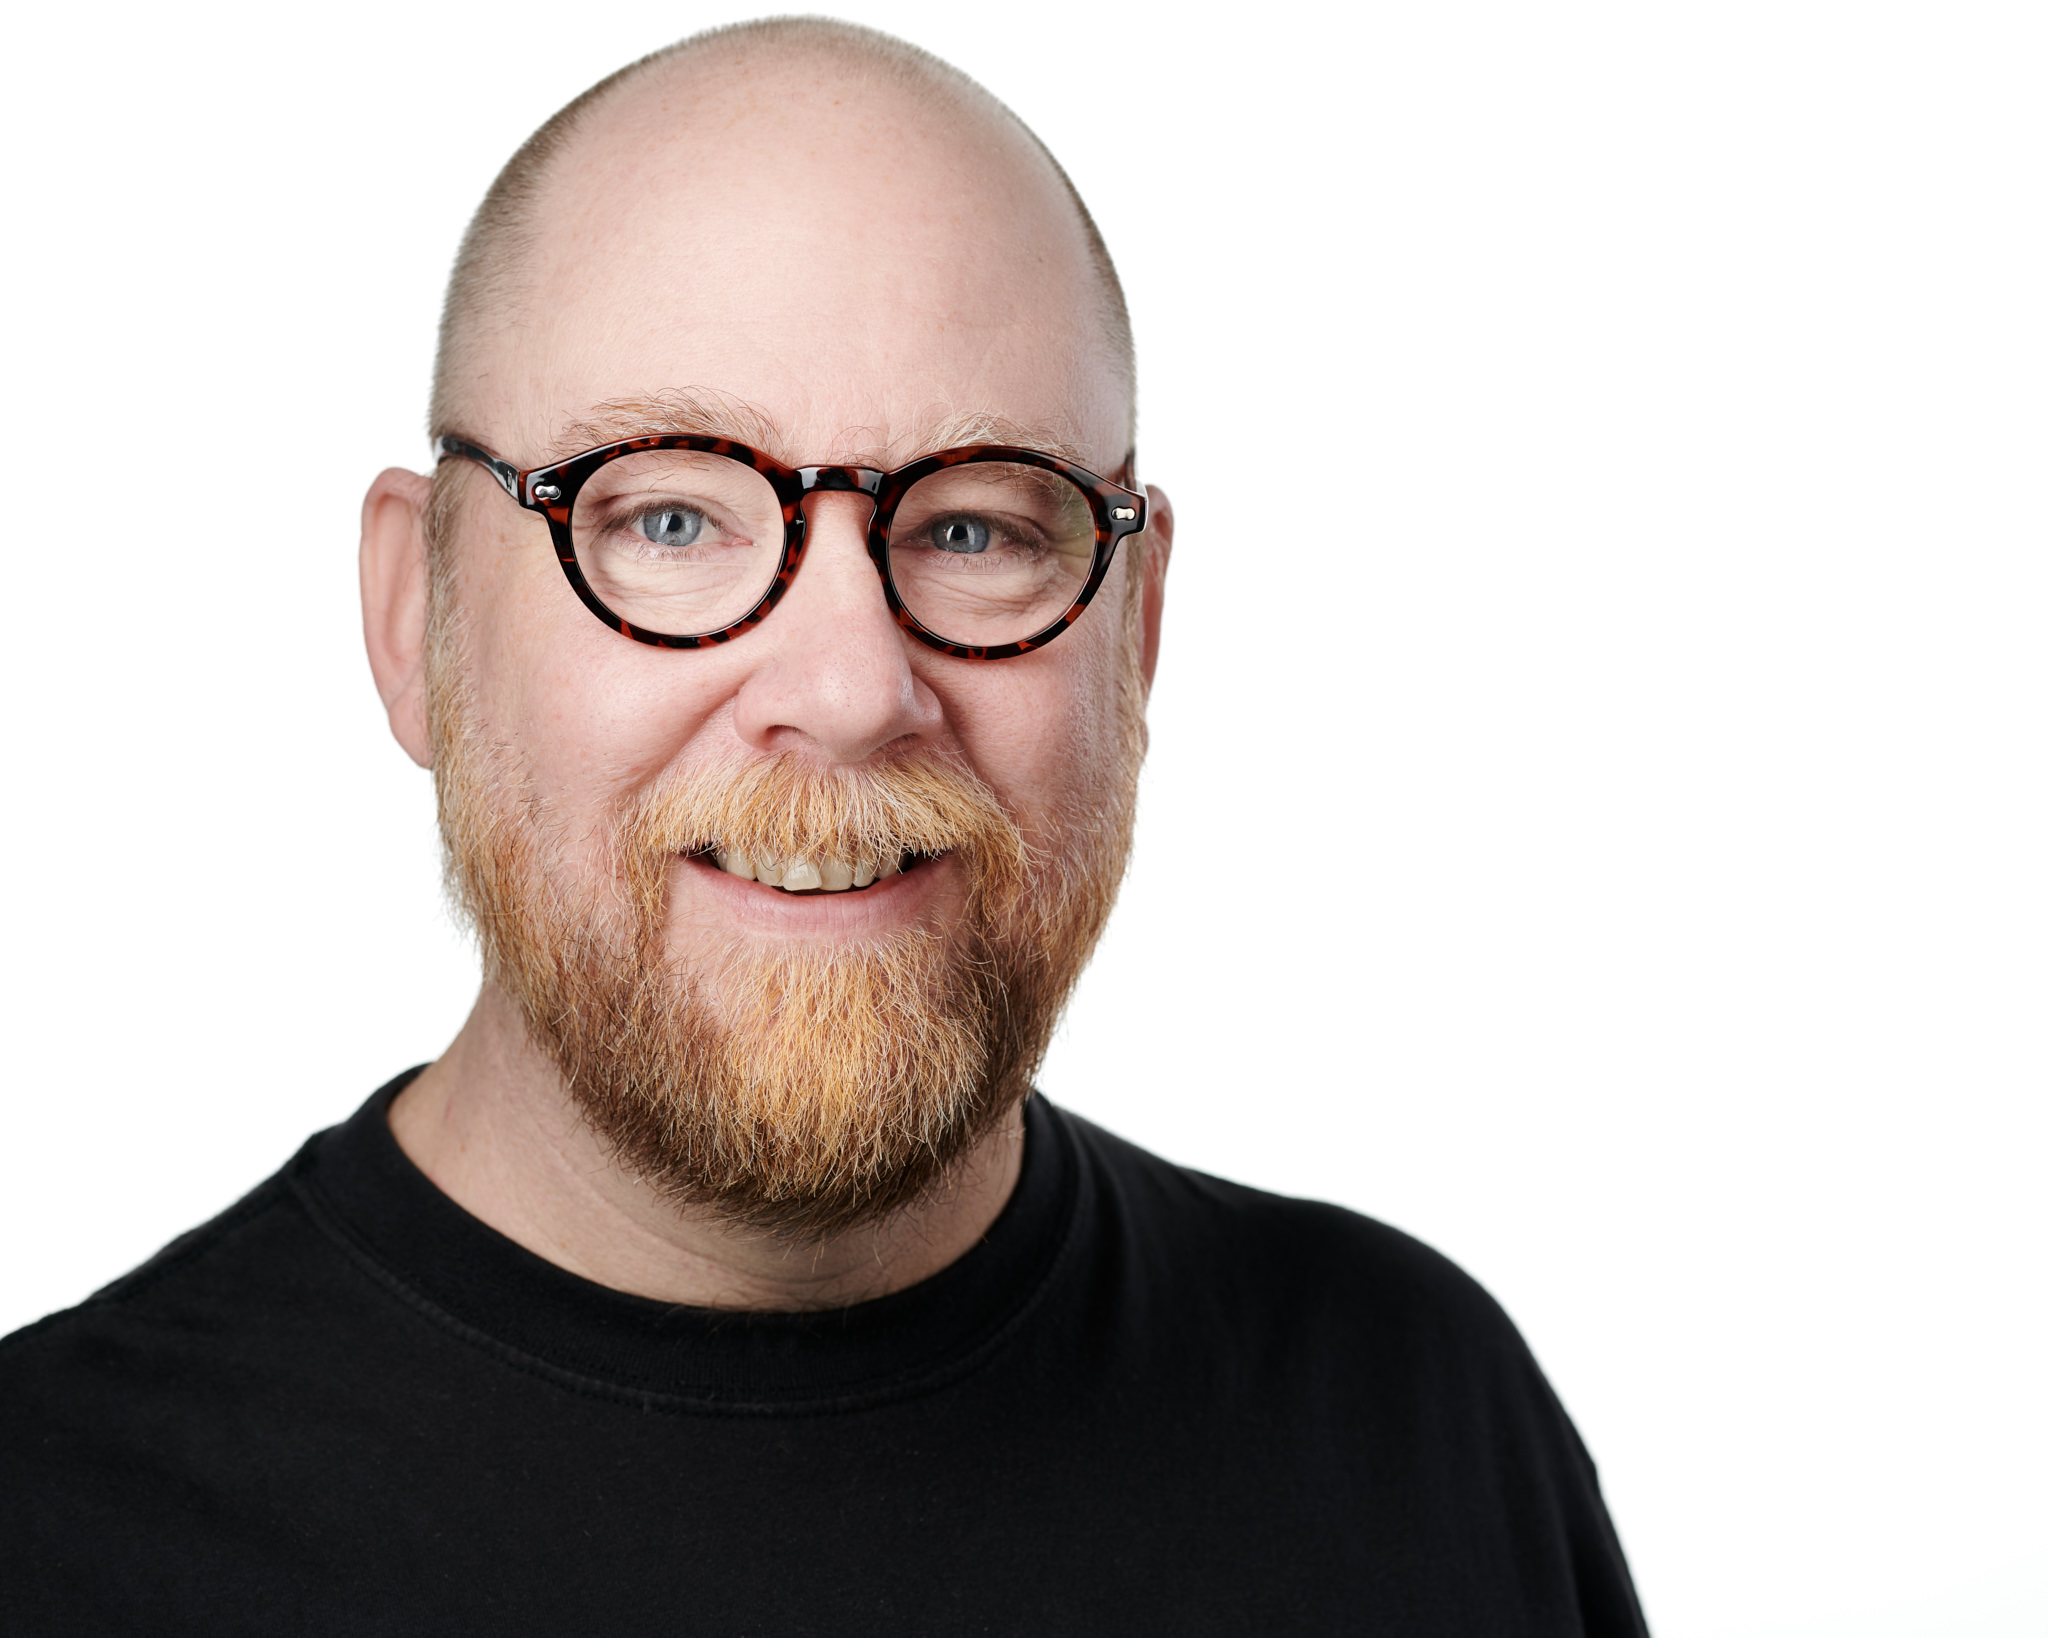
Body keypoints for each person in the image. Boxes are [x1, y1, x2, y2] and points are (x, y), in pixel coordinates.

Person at [0, 18, 1647, 1634]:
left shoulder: (1422, 1425)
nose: (854, 687)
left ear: (1136, 637)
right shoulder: (54, 1530)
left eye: (978, 528)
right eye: (668, 516)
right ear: (412, 621)